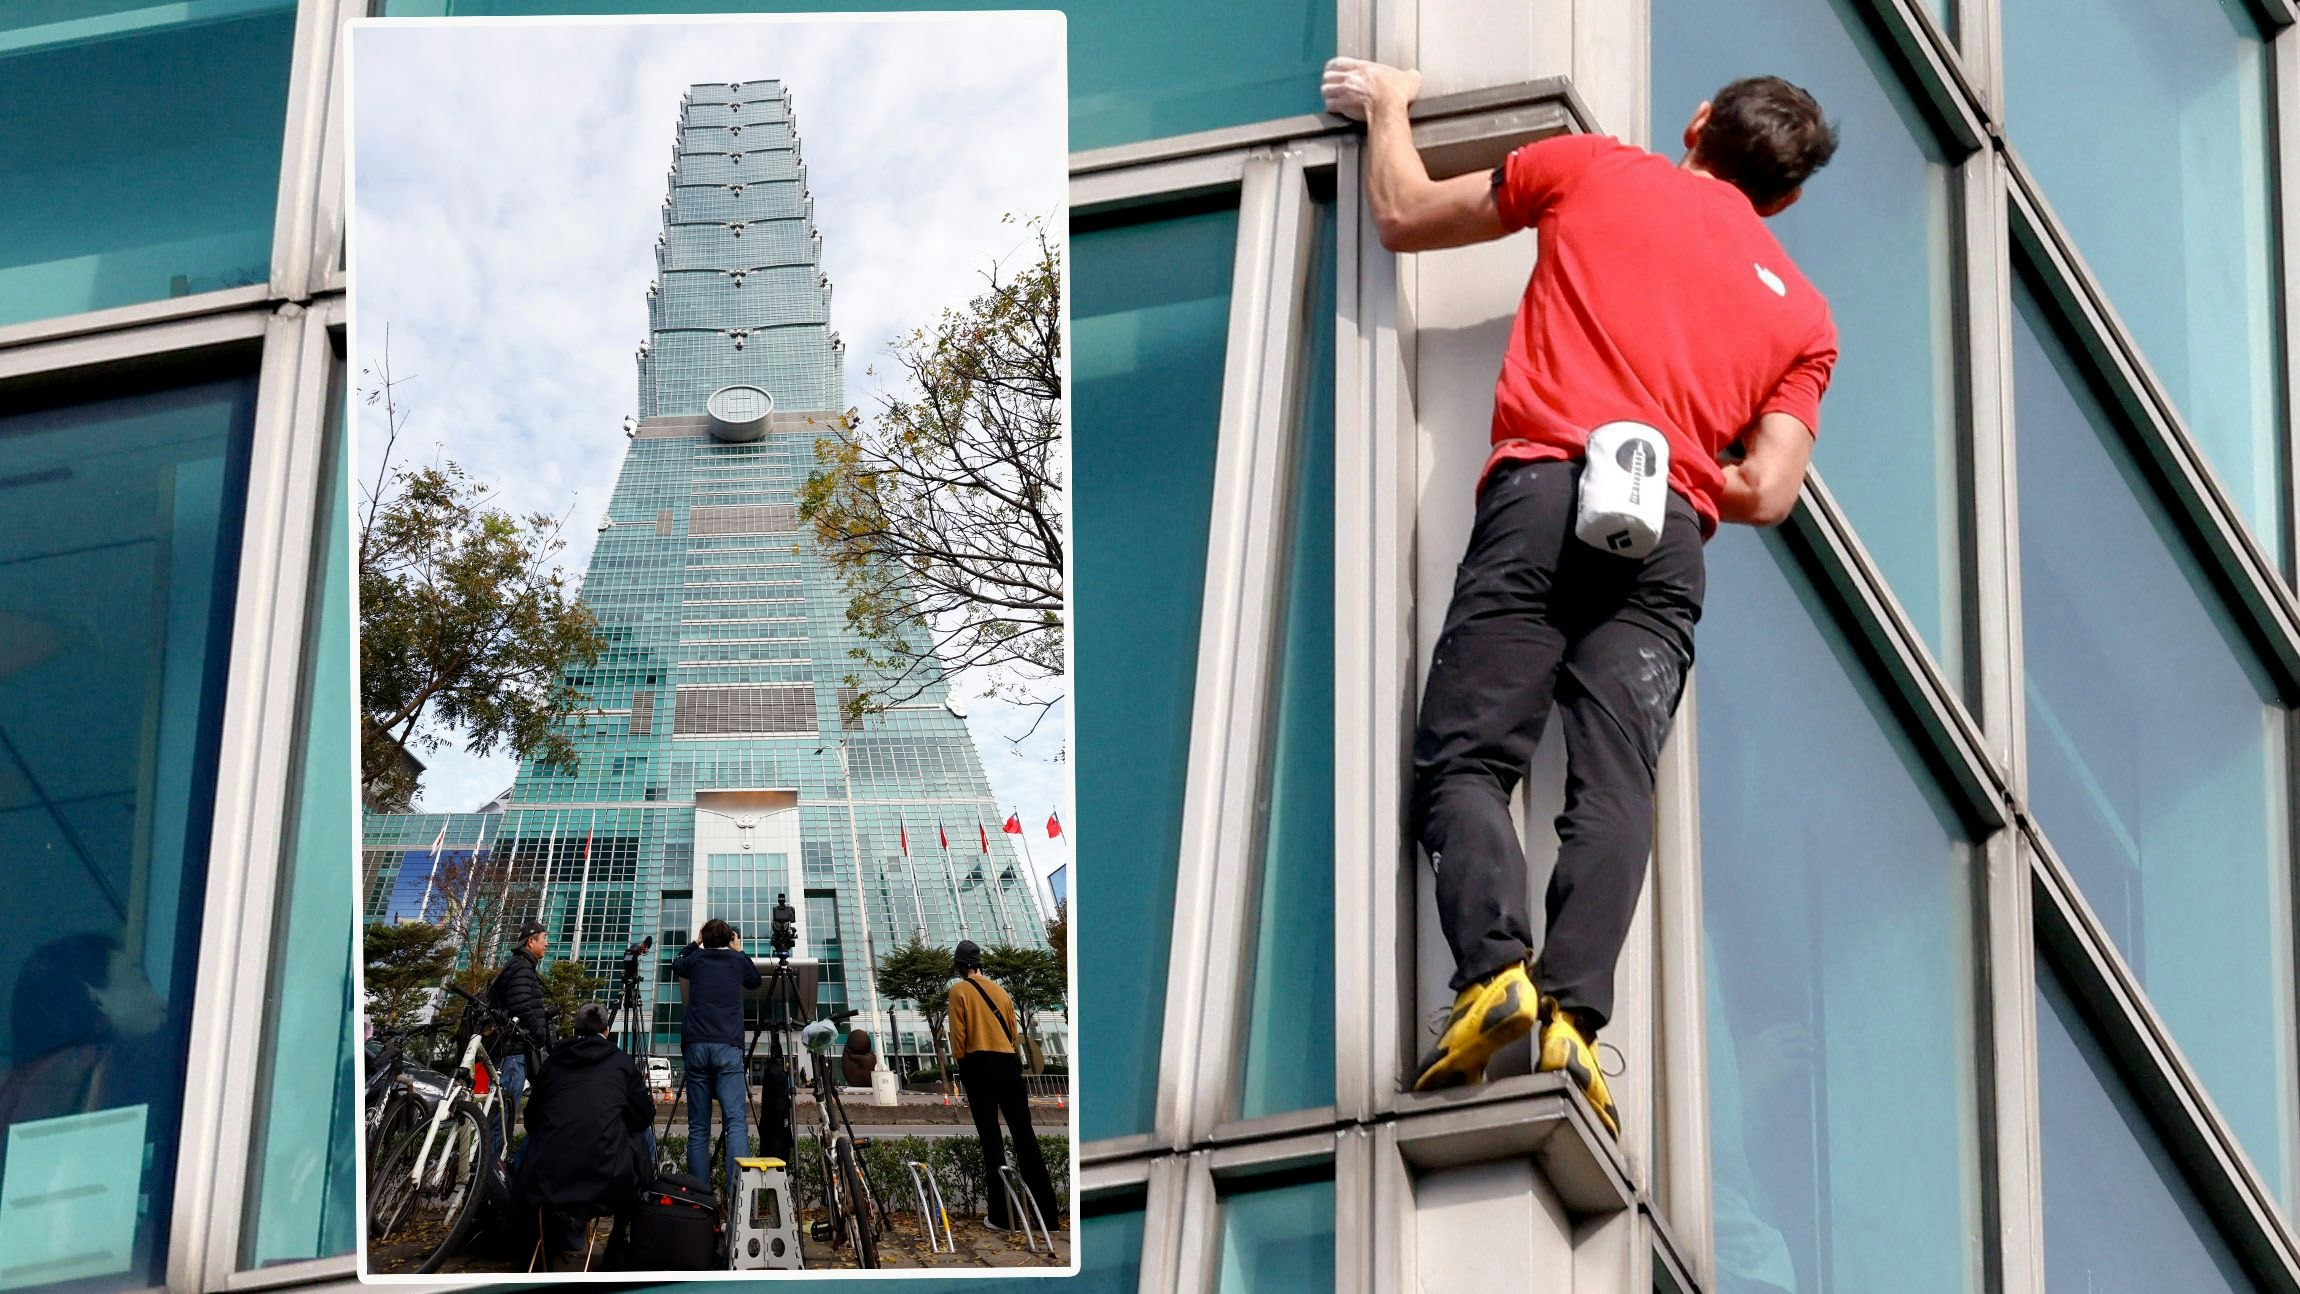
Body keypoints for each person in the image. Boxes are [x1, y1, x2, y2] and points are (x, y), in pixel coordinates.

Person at [1319, 58, 1840, 1133]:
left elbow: (1403, 213)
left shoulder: (1592, 169)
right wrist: (1679, 462)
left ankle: (1490, 977)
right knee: (1616, 781)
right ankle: (1572, 1023)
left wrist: (1387, 107)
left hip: (1546, 490)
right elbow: (1767, 490)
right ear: (1785, 198)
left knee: (1468, 757)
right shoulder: (1805, 319)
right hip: (1670, 538)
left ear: (1698, 121)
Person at [513, 1003, 653, 1262]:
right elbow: (644, 1116)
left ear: (574, 1030)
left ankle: (541, 1232)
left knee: (534, 1141)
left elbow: (532, 1119)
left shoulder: (553, 1063)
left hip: (547, 1181)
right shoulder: (622, 1062)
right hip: (608, 1183)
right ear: (606, 1031)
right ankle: (618, 1241)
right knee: (643, 1136)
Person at [947, 940, 1059, 1232]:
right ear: (979, 964)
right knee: (1025, 1136)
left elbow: (958, 1038)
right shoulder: (1001, 991)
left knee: (992, 1141)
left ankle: (1002, 1216)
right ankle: (1048, 1217)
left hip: (978, 1064)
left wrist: (964, 1063)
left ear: (959, 966)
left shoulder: (959, 991)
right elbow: (1011, 1032)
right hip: (1008, 1064)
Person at [670, 918, 760, 1182]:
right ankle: (736, 1195)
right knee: (736, 1123)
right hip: (727, 1046)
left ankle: (700, 1199)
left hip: (696, 1046)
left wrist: (694, 943)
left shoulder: (695, 959)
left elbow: (676, 964)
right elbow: (755, 980)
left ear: (704, 938)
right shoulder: (736, 961)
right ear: (730, 939)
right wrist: (739, 951)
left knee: (698, 1128)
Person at [486, 921, 553, 1134]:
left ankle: (487, 1153)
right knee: (503, 1117)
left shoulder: (518, 965)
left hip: (509, 1050)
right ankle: (490, 1155)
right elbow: (521, 1007)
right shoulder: (522, 968)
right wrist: (539, 1033)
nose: (547, 944)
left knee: (501, 1112)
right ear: (531, 941)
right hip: (512, 1052)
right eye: (544, 938)